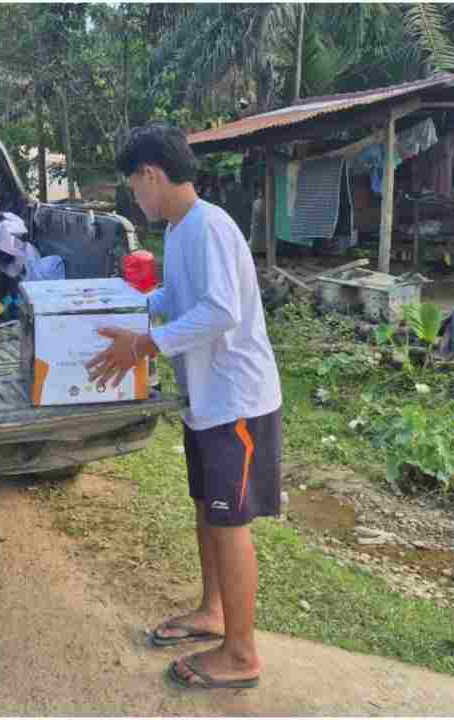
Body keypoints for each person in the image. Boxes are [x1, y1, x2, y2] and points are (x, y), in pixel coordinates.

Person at [87, 124, 283, 690]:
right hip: (207, 397)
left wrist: (145, 343)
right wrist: (126, 306)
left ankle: (241, 653)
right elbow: (178, 298)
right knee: (208, 508)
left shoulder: (210, 228)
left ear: (151, 174)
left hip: (236, 400)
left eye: (134, 187)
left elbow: (220, 310)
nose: (136, 199)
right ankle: (214, 611)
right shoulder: (182, 230)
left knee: (230, 521)